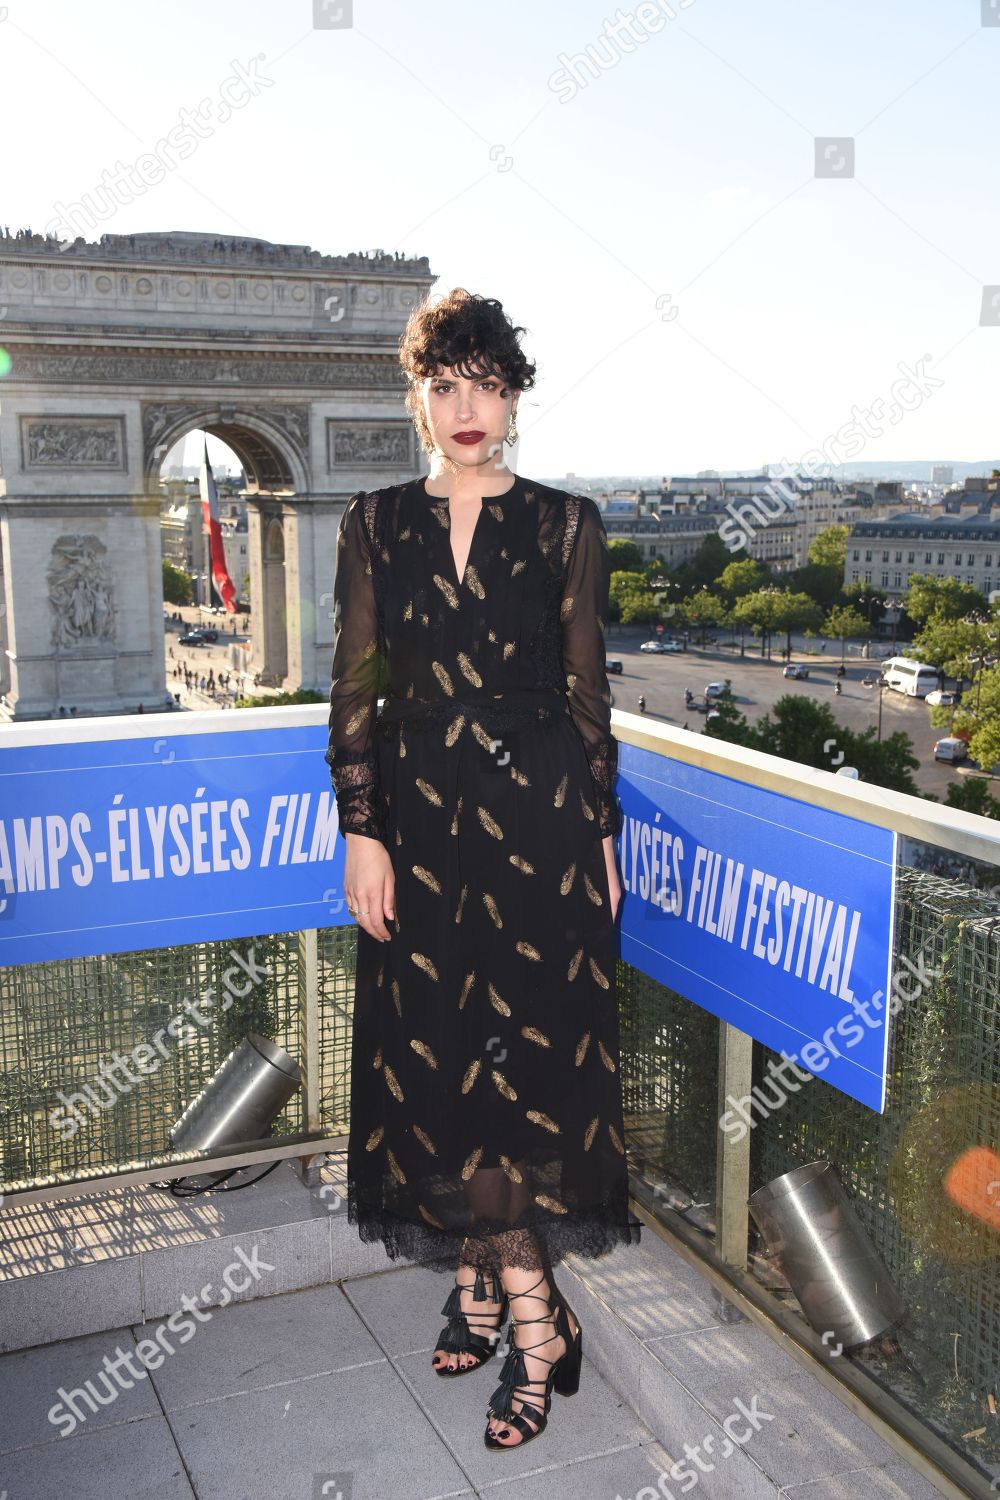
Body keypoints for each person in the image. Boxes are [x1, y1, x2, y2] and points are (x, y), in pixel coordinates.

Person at [325, 288, 640, 1453]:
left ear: (515, 398)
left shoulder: (566, 524)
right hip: (418, 828)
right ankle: (507, 1295)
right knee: (441, 1063)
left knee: (517, 1073)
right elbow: (355, 687)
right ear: (416, 399)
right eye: (445, 386)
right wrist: (361, 829)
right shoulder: (373, 522)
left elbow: (587, 694)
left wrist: (600, 836)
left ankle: (525, 1319)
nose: (468, 408)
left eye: (489, 386)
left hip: (539, 823)